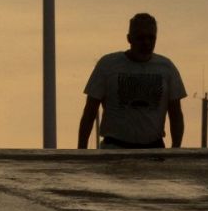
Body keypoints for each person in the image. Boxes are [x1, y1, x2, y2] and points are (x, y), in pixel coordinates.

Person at [78, 12, 186, 149]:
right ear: (129, 39)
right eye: (140, 37)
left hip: (154, 150)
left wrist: (175, 150)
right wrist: (82, 150)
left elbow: (176, 113)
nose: (146, 42)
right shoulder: (108, 65)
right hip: (114, 149)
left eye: (151, 37)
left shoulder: (167, 68)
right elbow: (90, 111)